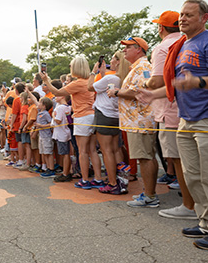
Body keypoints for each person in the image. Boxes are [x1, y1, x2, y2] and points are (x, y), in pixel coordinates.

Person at [147, 0, 208, 249]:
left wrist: (197, 82)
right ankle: (207, 223)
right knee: (194, 177)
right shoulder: (182, 44)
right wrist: (150, 94)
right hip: (187, 120)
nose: (183, 19)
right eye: (181, 15)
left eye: (189, 15)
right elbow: (176, 85)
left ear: (204, 18)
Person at [139, 11, 197, 219]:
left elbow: (156, 81)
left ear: (161, 28)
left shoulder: (163, 47)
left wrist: (145, 84)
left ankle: (189, 205)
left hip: (169, 109)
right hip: (188, 107)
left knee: (180, 159)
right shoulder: (187, 42)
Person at [43, 56, 103, 189]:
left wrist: (46, 80)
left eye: (71, 66)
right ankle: (98, 178)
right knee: (92, 150)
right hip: (92, 116)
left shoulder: (77, 83)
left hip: (81, 117)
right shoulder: (90, 81)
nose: (70, 68)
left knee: (82, 151)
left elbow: (57, 92)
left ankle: (85, 179)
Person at [111, 37, 158, 207]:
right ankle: (149, 193)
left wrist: (117, 92)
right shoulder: (138, 67)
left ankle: (150, 196)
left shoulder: (143, 66)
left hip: (140, 120)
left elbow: (140, 91)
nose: (124, 50)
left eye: (128, 47)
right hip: (137, 120)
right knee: (146, 157)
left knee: (145, 157)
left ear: (138, 49)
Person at [87, 51, 132, 195]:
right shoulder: (120, 78)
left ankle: (112, 182)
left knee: (107, 151)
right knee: (116, 149)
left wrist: (93, 73)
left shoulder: (111, 77)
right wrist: (103, 73)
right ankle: (120, 181)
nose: (110, 61)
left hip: (104, 114)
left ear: (118, 62)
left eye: (113, 58)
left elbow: (90, 87)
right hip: (115, 115)